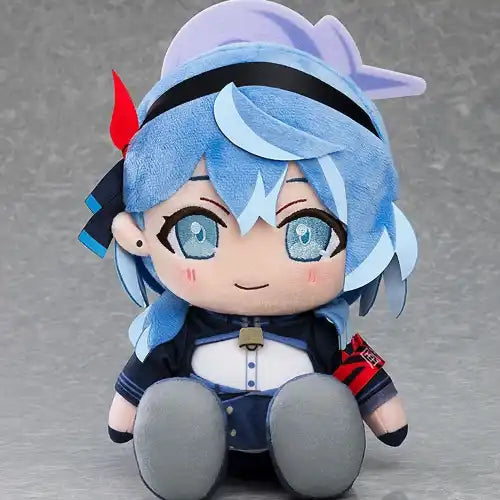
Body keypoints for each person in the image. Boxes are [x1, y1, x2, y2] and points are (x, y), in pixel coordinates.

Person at [79, 1, 426, 499]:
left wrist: (380, 413)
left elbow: (362, 375)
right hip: (201, 439)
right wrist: (131, 412)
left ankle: (317, 443)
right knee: (177, 401)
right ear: (139, 231)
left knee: (318, 399)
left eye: (305, 234)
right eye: (198, 232)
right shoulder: (176, 329)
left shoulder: (325, 330)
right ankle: (180, 442)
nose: (251, 267)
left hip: (302, 432)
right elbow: (139, 381)